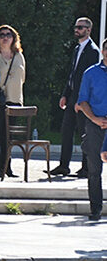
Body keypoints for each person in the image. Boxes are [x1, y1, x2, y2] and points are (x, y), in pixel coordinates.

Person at [48, 17, 100, 178]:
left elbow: (88, 80)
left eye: (80, 27)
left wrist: (81, 100)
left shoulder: (92, 51)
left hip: (83, 102)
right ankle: (64, 166)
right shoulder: (77, 49)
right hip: (72, 99)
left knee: (85, 134)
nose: (76, 30)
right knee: (66, 131)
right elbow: (72, 75)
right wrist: (65, 94)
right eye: (76, 27)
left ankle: (86, 168)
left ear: (88, 30)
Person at [0, 25, 26, 178]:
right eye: (1, 35)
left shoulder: (19, 55)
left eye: (8, 34)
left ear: (13, 38)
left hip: (14, 101)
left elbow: (23, 78)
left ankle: (6, 168)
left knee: (8, 138)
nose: (5, 37)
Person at [76, 38, 107, 222]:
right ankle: (95, 209)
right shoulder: (91, 73)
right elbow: (83, 100)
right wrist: (95, 119)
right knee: (94, 170)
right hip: (95, 126)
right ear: (103, 51)